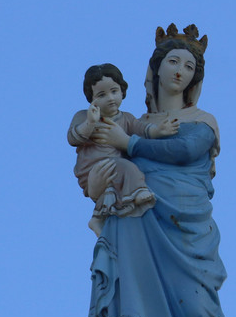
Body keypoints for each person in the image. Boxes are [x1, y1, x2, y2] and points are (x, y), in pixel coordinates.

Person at [87, 25, 226, 317]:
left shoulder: (200, 121)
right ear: (157, 69)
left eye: (189, 65)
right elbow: (100, 171)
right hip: (137, 230)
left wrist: (130, 146)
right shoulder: (131, 123)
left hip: (188, 238)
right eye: (173, 61)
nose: (180, 70)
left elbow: (184, 149)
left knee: (198, 315)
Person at [68, 63, 179, 235]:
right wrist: (90, 122)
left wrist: (159, 131)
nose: (110, 98)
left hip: (115, 167)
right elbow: (73, 138)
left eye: (114, 91)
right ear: (92, 99)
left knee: (114, 185)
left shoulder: (126, 118)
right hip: (91, 169)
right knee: (127, 167)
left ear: (122, 90)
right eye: (102, 95)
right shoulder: (84, 116)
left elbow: (142, 130)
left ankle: (98, 220)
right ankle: (139, 191)